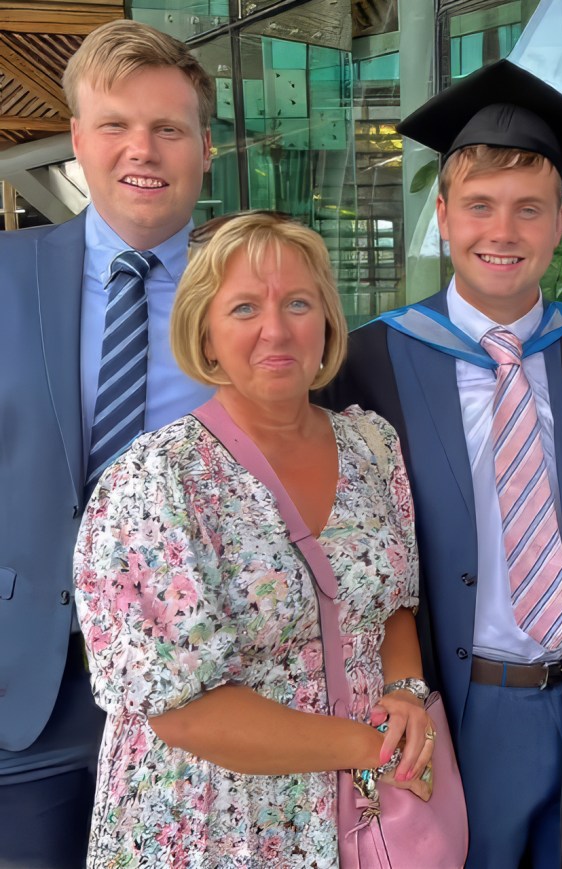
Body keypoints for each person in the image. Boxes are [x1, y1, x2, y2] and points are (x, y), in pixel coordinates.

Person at [320, 59, 562, 868]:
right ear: (442, 216)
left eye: (528, 210)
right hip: (454, 705)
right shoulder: (369, 363)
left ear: (559, 224)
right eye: (479, 206)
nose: (502, 232)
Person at [73, 211, 434, 866]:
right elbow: (180, 711)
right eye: (244, 307)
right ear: (205, 335)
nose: (276, 328)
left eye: (298, 302)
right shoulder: (155, 481)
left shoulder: (371, 445)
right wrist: (368, 747)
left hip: (363, 814)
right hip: (214, 821)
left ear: (326, 323)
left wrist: (405, 692)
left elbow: (393, 604)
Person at [0, 19, 215, 867]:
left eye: (168, 128)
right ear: (79, 141)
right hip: (26, 690)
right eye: (117, 126)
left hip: (201, 687)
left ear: (204, 146)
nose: (143, 150)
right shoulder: (6, 275)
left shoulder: (252, 293)